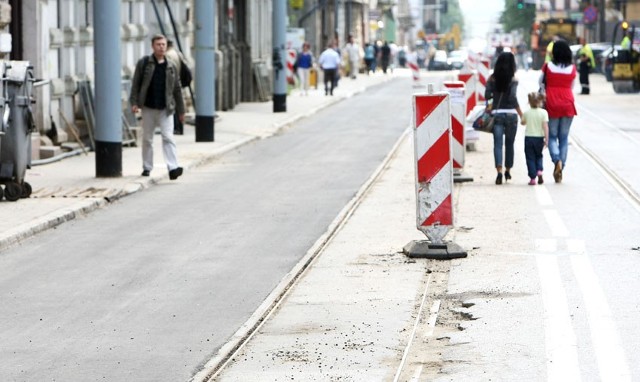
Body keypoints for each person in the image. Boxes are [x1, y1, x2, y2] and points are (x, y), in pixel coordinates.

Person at [130, 34, 185, 180]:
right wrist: (134, 102)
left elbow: (177, 89)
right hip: (148, 107)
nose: (161, 47)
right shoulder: (144, 64)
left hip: (166, 109)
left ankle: (173, 168)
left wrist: (181, 111)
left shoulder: (171, 65)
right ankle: (147, 167)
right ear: (153, 46)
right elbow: (136, 83)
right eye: (158, 44)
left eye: (163, 44)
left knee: (168, 137)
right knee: (147, 139)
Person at [539, 39, 577, 183]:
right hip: (568, 103)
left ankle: (556, 160)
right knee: (564, 137)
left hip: (552, 103)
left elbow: (540, 82)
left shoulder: (548, 67)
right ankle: (562, 164)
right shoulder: (572, 68)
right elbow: (572, 86)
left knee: (552, 136)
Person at [485, 52, 523, 185]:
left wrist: (491, 105)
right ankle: (508, 170)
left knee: (497, 144)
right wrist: (521, 113)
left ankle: (499, 171)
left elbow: (487, 95)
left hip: (497, 114)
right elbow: (512, 98)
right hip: (511, 115)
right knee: (509, 144)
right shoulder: (514, 79)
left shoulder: (491, 79)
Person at [520, 92, 549, 185]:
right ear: (540, 101)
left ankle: (532, 178)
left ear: (529, 102)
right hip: (539, 138)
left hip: (529, 138)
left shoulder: (526, 112)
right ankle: (539, 170)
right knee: (539, 155)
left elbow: (523, 122)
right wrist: (546, 139)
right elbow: (545, 126)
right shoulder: (543, 112)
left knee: (530, 157)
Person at [165, 39, 187, 135]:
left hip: (172, 82)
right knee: (178, 105)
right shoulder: (177, 53)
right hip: (178, 80)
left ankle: (176, 127)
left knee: (173, 106)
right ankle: (180, 128)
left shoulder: (168, 55)